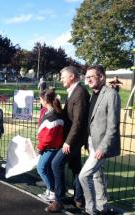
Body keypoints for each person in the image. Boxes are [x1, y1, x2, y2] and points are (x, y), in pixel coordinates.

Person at [46, 66, 90, 212]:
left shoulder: (80, 93)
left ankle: (58, 200)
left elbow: (78, 122)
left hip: (74, 140)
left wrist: (68, 142)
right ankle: (79, 198)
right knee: (76, 167)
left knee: (56, 163)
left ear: (71, 76)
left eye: (63, 76)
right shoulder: (73, 92)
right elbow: (67, 116)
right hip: (72, 138)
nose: (61, 79)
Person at [79, 65, 121, 215]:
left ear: (101, 77)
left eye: (91, 76)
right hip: (92, 142)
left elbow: (113, 125)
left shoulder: (111, 94)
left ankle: (91, 210)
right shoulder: (93, 94)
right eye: (86, 77)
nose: (88, 79)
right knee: (97, 175)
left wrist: (102, 148)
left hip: (102, 145)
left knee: (84, 176)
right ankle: (102, 207)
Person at [36, 89, 64, 202]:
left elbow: (49, 137)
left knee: (41, 168)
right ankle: (50, 189)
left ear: (45, 100)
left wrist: (40, 148)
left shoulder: (52, 116)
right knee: (46, 168)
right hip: (51, 146)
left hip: (50, 147)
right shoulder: (52, 113)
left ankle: (52, 192)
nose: (40, 101)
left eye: (40, 99)